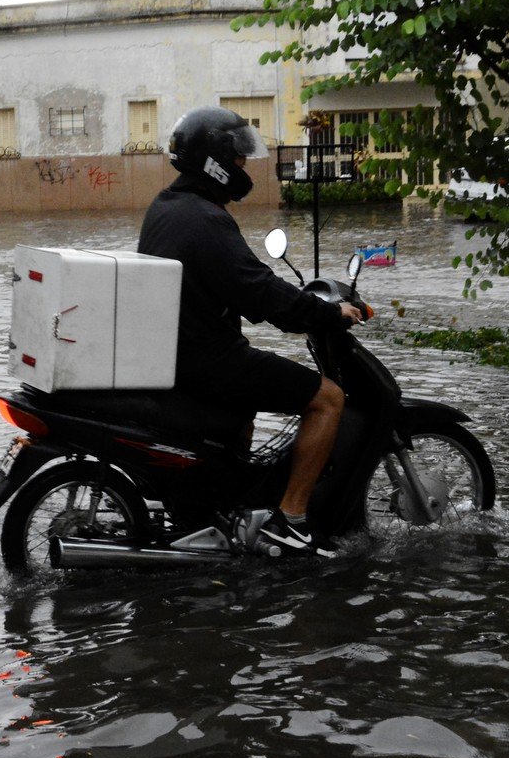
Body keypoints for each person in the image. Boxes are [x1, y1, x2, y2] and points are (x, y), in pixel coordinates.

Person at [138, 107, 364, 554]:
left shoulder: (167, 206)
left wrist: (294, 307)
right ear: (215, 161)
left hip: (176, 356)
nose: (243, 168)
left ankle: (219, 509)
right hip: (207, 361)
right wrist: (327, 315)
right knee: (328, 399)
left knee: (246, 408)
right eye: (238, 159)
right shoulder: (205, 219)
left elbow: (241, 286)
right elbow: (258, 290)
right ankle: (292, 520)